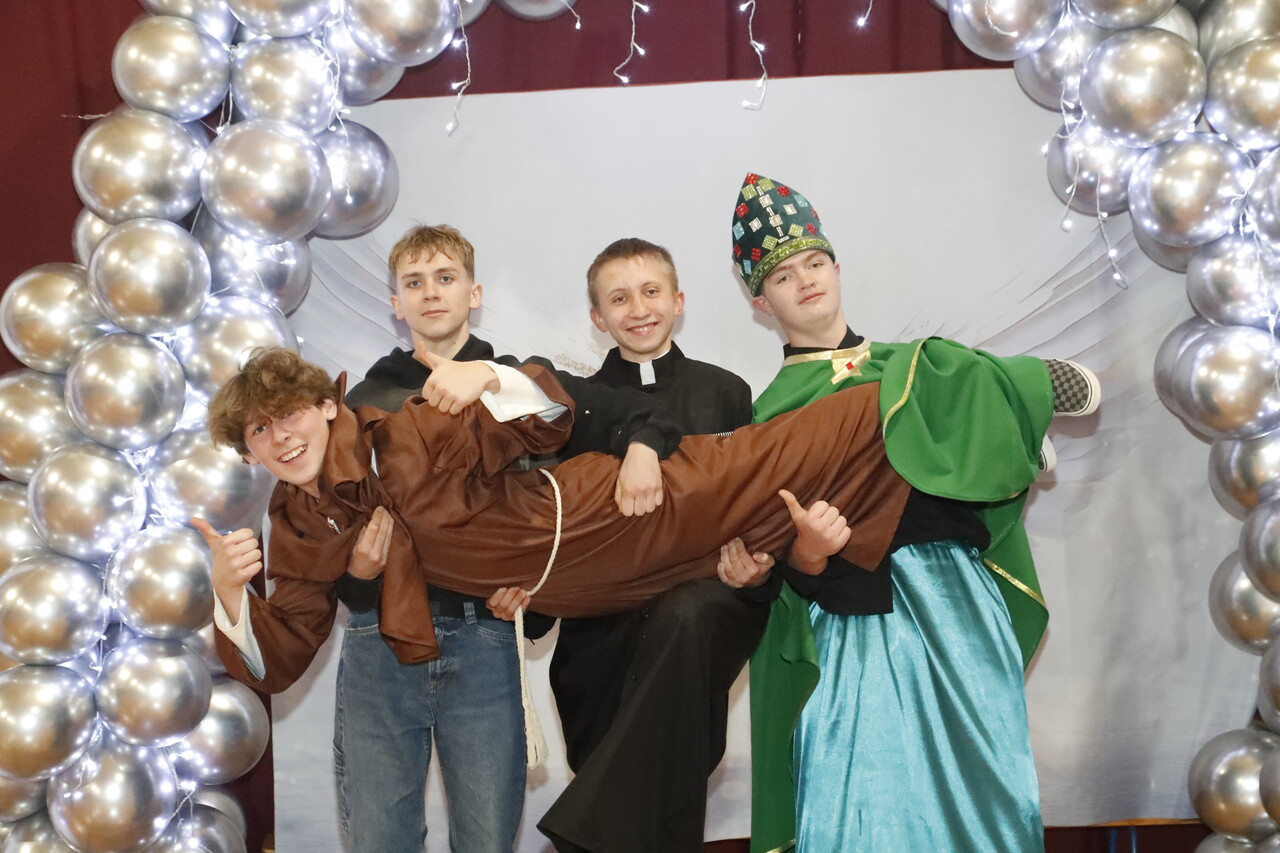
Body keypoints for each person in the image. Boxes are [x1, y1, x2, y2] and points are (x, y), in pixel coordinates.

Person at [202, 224, 683, 853]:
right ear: (396, 303)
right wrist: (357, 576)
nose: (431, 293)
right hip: (379, 644)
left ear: (473, 293)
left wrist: (635, 450)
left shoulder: (519, 384)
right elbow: (326, 581)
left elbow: (564, 486)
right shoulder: (363, 407)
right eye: (414, 282)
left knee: (487, 837)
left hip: (483, 637)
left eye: (445, 278)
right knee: (380, 837)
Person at [724, 172, 1099, 853]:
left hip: (954, 597)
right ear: (760, 301)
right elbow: (782, 572)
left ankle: (1002, 424)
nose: (805, 281)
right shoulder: (767, 417)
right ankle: (1005, 425)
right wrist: (807, 552)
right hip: (855, 624)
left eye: (814, 263)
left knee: (978, 802)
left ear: (837, 268)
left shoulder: (914, 368)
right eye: (782, 275)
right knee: (869, 811)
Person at [531, 238, 772, 853]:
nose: (638, 309)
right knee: (636, 786)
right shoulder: (574, 409)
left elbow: (756, 507)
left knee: (672, 799)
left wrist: (755, 568)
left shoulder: (727, 393)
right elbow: (552, 527)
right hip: (597, 645)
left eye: (651, 292)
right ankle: (588, 825)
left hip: (694, 632)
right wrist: (528, 600)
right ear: (598, 317)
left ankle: (582, 832)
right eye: (619, 299)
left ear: (678, 301)